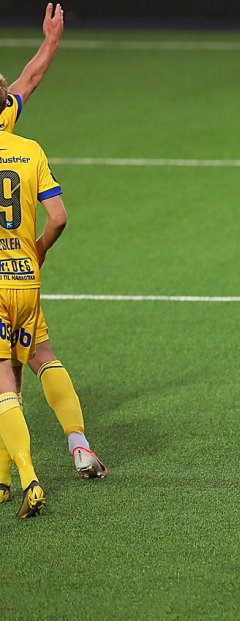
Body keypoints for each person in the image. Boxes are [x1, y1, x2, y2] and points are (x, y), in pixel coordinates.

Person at [0, 3, 107, 480]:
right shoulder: (22, 142)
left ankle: (14, 473)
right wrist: (52, 40)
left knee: (4, 376)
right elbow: (31, 78)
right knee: (38, 355)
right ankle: (77, 444)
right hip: (24, 270)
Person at [0, 73, 69, 517]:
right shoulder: (29, 149)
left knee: (3, 386)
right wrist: (38, 250)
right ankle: (2, 481)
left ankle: (27, 478)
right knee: (32, 363)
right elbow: (58, 217)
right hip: (27, 280)